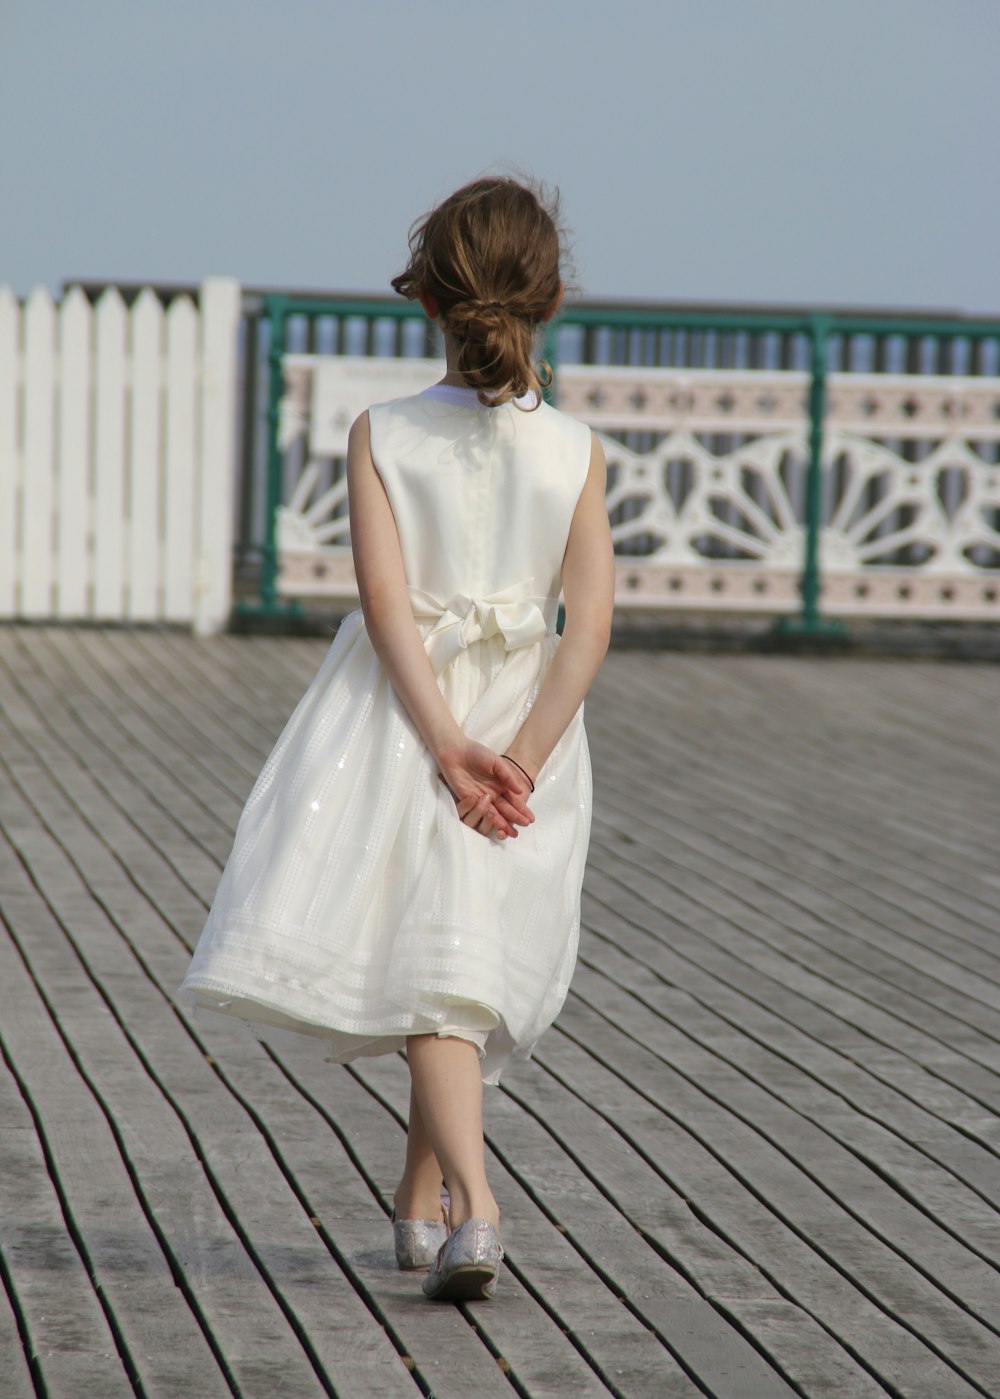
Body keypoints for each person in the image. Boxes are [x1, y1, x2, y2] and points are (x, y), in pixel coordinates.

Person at [177, 176, 615, 1301]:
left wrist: (447, 745)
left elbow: (383, 601)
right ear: (554, 295)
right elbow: (589, 626)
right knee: (453, 961)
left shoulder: (381, 431)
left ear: (425, 293)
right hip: (527, 725)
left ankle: (421, 1199)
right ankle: (476, 1209)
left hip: (399, 715)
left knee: (446, 957)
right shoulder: (574, 449)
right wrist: (519, 755)